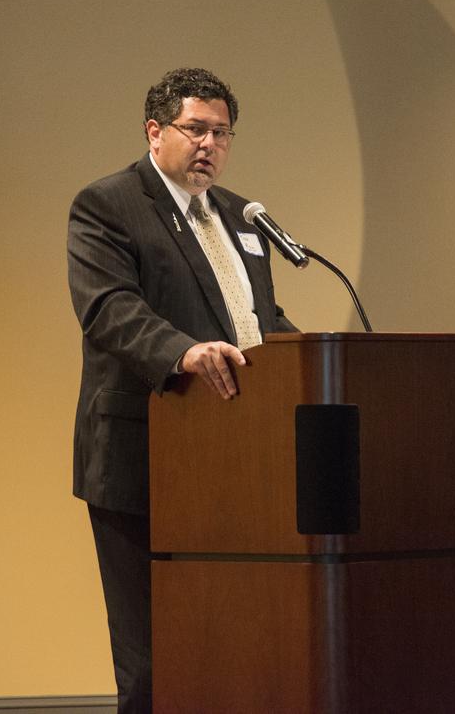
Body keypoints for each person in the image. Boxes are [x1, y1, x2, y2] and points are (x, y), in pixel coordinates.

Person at [67, 68, 296, 712]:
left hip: (233, 458)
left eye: (222, 133)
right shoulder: (107, 204)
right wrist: (182, 352)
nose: (209, 145)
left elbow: (259, 320)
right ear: (155, 131)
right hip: (145, 453)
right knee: (152, 657)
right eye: (195, 129)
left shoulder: (241, 216)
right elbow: (109, 308)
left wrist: (313, 360)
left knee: (225, 645)